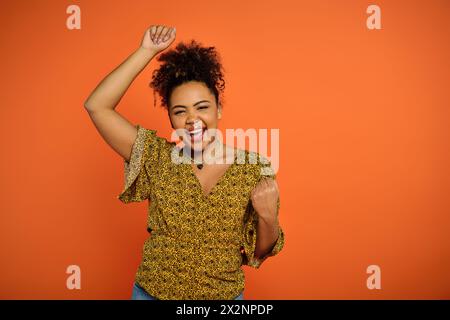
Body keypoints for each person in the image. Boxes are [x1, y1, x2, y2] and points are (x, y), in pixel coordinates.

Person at [84, 25, 285, 300]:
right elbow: (97, 105)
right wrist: (146, 51)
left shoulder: (253, 168)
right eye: (180, 111)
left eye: (202, 107)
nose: (192, 120)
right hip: (151, 294)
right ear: (171, 119)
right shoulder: (155, 157)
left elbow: (260, 252)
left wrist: (268, 216)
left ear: (219, 108)